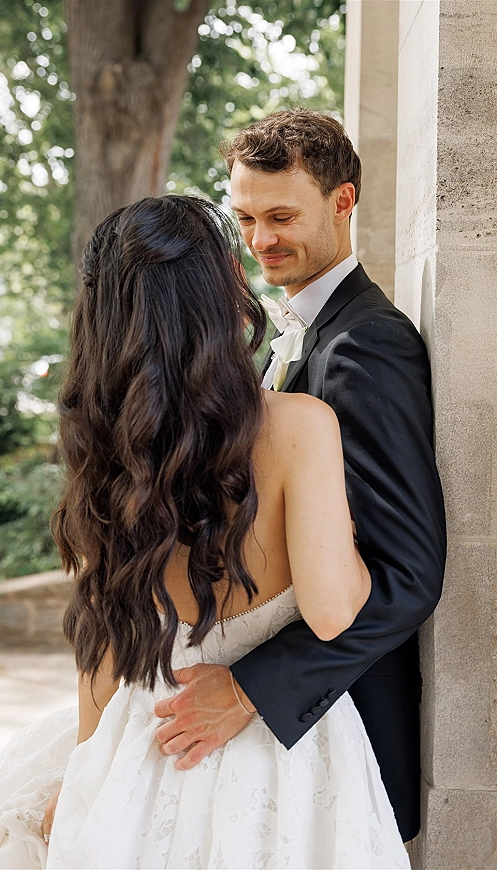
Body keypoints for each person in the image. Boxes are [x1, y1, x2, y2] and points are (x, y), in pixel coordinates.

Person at [0, 194, 410, 869]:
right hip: (285, 764)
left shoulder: (106, 452)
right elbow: (334, 609)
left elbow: (103, 647)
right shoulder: (300, 426)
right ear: (221, 286)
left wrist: (86, 771)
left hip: (144, 740)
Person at [153, 109, 447, 844]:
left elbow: (409, 573)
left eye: (282, 216)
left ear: (343, 201)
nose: (260, 241)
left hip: (338, 722)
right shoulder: (295, 333)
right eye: (246, 218)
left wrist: (251, 689)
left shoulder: (368, 346)